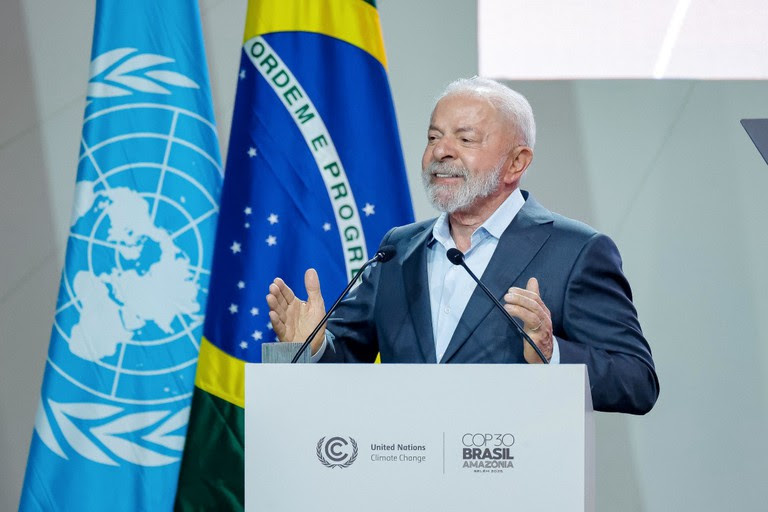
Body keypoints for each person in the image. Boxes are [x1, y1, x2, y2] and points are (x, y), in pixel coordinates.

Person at [267, 77, 659, 414]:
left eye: (465, 138)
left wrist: (550, 352)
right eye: (433, 137)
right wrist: (313, 346)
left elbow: (637, 381)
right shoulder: (397, 250)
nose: (441, 151)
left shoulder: (575, 252)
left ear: (517, 162)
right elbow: (348, 361)